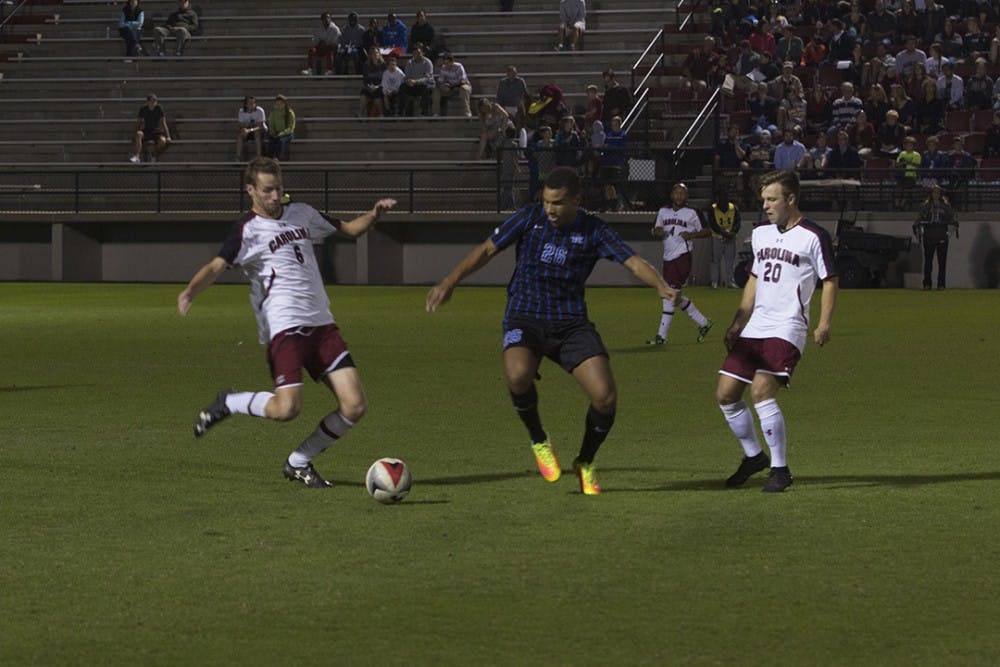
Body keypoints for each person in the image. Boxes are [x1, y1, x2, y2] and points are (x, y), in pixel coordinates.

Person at [425, 166, 678, 495]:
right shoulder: (529, 218)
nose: (550, 210)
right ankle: (539, 440)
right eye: (546, 201)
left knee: (605, 397)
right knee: (517, 376)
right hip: (525, 315)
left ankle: (585, 462)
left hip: (571, 322)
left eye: (557, 203)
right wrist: (449, 282)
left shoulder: (593, 230)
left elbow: (631, 261)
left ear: (576, 199)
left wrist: (660, 285)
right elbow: (487, 249)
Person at [177, 157, 397, 488]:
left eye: (279, 188)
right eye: (267, 190)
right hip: (285, 329)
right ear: (250, 190)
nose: (275, 196)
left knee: (354, 406)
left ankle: (298, 462)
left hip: (323, 325)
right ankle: (230, 402)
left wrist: (374, 215)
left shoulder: (303, 213)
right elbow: (216, 266)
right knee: (286, 409)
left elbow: (350, 229)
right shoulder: (246, 231)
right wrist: (190, 292)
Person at [716, 169, 838, 493]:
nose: (766, 205)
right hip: (756, 325)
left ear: (791, 199)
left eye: (772, 199)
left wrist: (824, 323)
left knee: (760, 391)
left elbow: (830, 280)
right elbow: (754, 280)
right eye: (764, 199)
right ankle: (754, 456)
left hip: (788, 326)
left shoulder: (814, 236)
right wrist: (738, 320)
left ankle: (780, 470)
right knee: (726, 395)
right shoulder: (761, 234)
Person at [646, 183, 713, 346]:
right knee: (674, 296)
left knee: (668, 295)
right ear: (671, 195)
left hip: (682, 257)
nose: (679, 196)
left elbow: (707, 231)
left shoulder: (693, 212)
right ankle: (704, 322)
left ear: (687, 196)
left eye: (682, 193)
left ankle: (661, 336)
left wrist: (692, 234)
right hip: (667, 257)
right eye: (676, 193)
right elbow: (654, 230)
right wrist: (657, 231)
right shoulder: (663, 211)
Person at [913, 184, 958, 289]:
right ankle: (927, 284)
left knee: (942, 263)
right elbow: (919, 218)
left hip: (942, 235)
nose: (936, 195)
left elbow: (952, 218)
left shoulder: (946, 206)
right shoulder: (925, 206)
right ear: (931, 194)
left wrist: (954, 223)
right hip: (929, 235)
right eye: (934, 192)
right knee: (928, 262)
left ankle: (941, 284)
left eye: (938, 192)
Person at [706, 190, 742, 288]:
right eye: (720, 198)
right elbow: (712, 223)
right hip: (717, 237)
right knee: (715, 261)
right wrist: (723, 233)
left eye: (724, 198)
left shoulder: (733, 208)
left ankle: (729, 281)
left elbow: (737, 222)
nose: (722, 200)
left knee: (730, 261)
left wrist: (732, 233)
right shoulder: (712, 209)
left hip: (730, 238)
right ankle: (714, 282)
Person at [129, 93, 170, 163]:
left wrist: (168, 136)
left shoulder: (159, 108)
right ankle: (137, 156)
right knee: (139, 134)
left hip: (157, 131)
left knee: (163, 141)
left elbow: (163, 123)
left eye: (155, 101)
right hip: (146, 130)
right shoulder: (143, 109)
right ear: (148, 102)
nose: (153, 102)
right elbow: (138, 123)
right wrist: (134, 135)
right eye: (152, 101)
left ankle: (154, 154)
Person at [600, 115, 627, 211]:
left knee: (613, 184)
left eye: (615, 124)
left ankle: (615, 202)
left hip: (616, 163)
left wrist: (611, 146)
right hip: (607, 162)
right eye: (612, 124)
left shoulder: (623, 135)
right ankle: (608, 203)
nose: (613, 126)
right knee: (607, 184)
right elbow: (605, 145)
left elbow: (620, 145)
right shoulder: (609, 134)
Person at [432, 51, 473, 117]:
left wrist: (451, 86)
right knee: (436, 90)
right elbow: (440, 81)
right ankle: (435, 113)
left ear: (452, 61)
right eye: (445, 63)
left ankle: (467, 112)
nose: (446, 65)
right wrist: (442, 86)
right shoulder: (443, 68)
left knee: (464, 89)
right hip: (450, 89)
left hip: (461, 86)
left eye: (448, 63)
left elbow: (462, 81)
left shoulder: (459, 66)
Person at [302, 12, 341, 76]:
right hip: (321, 48)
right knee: (312, 50)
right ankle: (310, 69)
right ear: (322, 20)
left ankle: (329, 70)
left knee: (330, 51)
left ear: (330, 19)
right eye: (324, 19)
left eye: (328, 18)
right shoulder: (319, 29)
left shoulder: (335, 29)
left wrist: (327, 44)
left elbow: (336, 42)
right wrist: (320, 43)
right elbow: (315, 40)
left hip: (331, 48)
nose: (326, 20)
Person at [400, 46, 434, 116]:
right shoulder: (409, 62)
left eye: (419, 53)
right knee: (402, 87)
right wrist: (408, 81)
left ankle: (424, 112)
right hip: (412, 85)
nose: (417, 55)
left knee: (426, 88)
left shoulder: (427, 62)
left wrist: (416, 81)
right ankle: (402, 112)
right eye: (415, 53)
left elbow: (428, 78)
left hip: (425, 84)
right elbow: (407, 75)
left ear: (422, 53)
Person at [235, 95, 266, 162]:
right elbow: (241, 125)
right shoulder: (241, 111)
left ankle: (258, 157)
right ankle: (238, 157)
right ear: (246, 104)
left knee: (257, 134)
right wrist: (244, 130)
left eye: (254, 103)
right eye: (250, 103)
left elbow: (261, 126)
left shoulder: (260, 111)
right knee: (240, 135)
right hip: (248, 130)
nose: (252, 105)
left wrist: (249, 130)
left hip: (260, 130)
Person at [266, 95, 295, 161]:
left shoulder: (290, 113)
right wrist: (272, 132)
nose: (279, 105)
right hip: (277, 132)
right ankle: (269, 158)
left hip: (287, 133)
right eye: (277, 103)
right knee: (271, 141)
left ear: (285, 104)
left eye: (281, 103)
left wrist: (283, 133)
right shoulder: (273, 113)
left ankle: (278, 158)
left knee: (281, 141)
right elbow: (271, 125)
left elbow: (291, 127)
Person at [359, 47, 386, 117]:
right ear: (370, 55)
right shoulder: (366, 65)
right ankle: (360, 114)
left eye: (376, 53)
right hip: (369, 86)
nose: (375, 55)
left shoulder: (383, 65)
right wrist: (369, 86)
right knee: (363, 94)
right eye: (373, 53)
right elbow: (365, 79)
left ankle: (381, 114)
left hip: (380, 87)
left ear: (379, 54)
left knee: (377, 95)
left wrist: (377, 86)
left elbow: (385, 79)